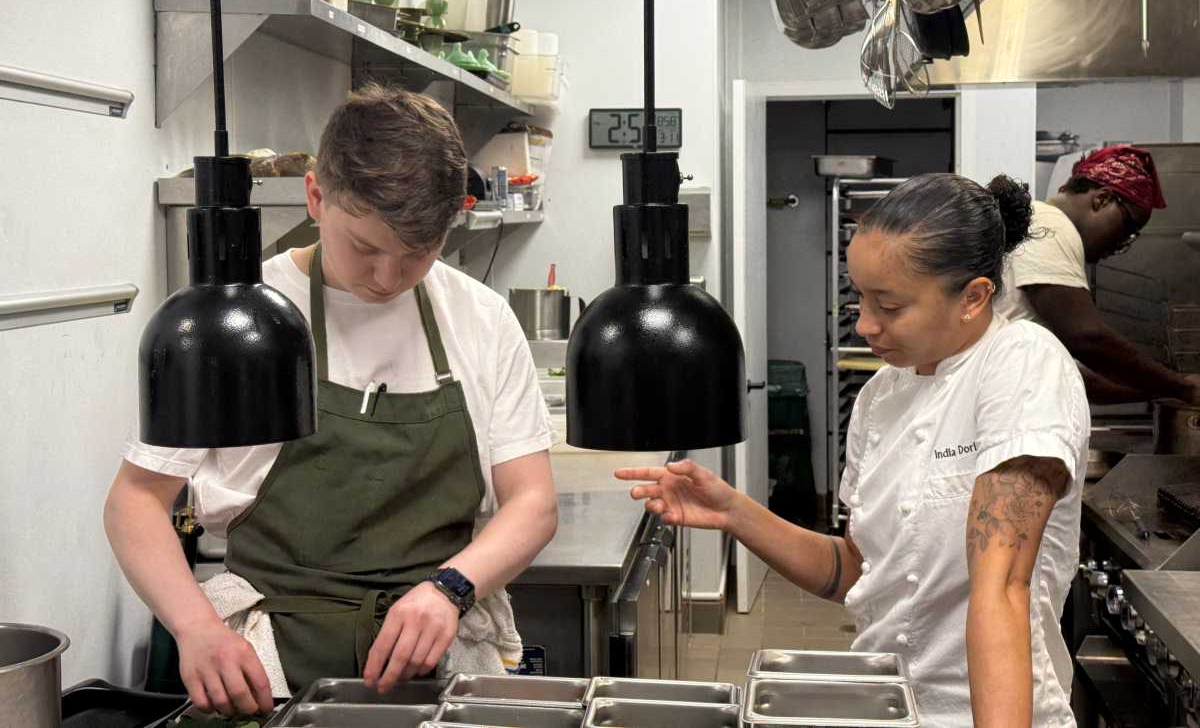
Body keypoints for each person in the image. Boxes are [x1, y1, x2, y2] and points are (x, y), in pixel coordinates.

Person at [105, 86, 558, 716]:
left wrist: (452, 587)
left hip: (439, 668)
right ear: (316, 196)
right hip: (267, 671)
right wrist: (195, 628)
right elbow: (135, 500)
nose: (388, 279)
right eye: (366, 248)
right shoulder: (237, 322)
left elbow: (532, 503)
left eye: (419, 254)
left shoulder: (480, 318)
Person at [620, 174, 1088, 727]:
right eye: (860, 297)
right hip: (881, 704)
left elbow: (1003, 588)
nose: (865, 324)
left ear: (974, 297)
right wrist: (733, 512)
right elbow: (857, 571)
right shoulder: (880, 396)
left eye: (888, 306)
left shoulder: (1022, 363)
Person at [994, 144, 1200, 406]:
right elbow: (1087, 337)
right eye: (1128, 228)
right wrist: (1182, 386)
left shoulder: (1038, 224)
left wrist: (1169, 388)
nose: (1121, 244)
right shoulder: (1051, 225)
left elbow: (1080, 381)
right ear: (1102, 199)